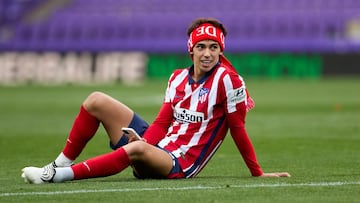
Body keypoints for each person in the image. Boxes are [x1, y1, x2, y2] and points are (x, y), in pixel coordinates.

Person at [21, 17, 290, 184]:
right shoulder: (176, 78)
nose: (207, 53)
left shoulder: (228, 80)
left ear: (221, 50)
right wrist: (147, 141)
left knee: (135, 150)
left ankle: (54, 177)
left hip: (180, 164)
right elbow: (162, 121)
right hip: (157, 145)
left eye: (214, 47)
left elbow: (237, 128)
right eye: (201, 47)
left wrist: (257, 172)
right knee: (96, 100)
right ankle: (59, 163)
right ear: (191, 50)